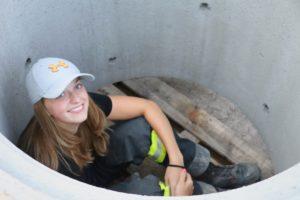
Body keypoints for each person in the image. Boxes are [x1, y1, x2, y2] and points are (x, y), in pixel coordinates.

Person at [18, 57, 261, 196]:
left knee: (140, 130)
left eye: (77, 86)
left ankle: (204, 170)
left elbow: (147, 107)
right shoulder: (45, 162)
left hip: (96, 167)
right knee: (147, 189)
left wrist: (176, 161)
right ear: (43, 107)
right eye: (60, 95)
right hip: (79, 193)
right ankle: (201, 193)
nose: (76, 99)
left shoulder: (86, 104)